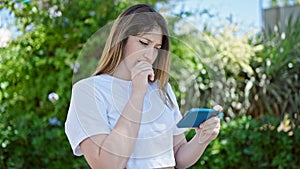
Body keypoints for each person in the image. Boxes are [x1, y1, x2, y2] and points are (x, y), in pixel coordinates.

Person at [65, 4, 222, 169]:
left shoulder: (163, 89)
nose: (150, 55)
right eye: (143, 42)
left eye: (156, 48)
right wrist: (137, 94)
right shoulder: (88, 91)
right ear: (121, 40)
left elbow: (178, 157)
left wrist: (202, 139)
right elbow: (107, 165)